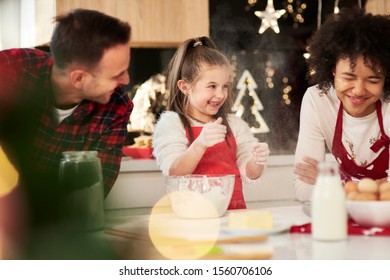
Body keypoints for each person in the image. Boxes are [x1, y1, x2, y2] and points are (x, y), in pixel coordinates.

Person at [0, 9, 133, 225]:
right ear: (78, 78)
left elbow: (91, 196)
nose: (126, 80)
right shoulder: (8, 70)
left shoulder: (116, 106)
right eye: (117, 74)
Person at [152, 36, 270, 209]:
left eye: (225, 86)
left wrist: (256, 162)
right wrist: (200, 144)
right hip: (192, 219)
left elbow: (248, 172)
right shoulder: (172, 123)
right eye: (212, 86)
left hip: (234, 216)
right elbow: (174, 172)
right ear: (185, 87)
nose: (221, 94)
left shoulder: (235, 125)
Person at [293, 8, 390, 201]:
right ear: (333, 71)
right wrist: (375, 187)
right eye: (348, 77)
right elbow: (303, 187)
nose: (359, 90)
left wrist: (334, 181)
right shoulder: (317, 101)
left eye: (372, 80)